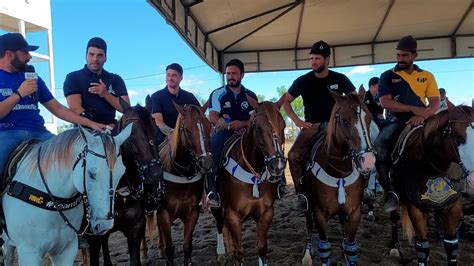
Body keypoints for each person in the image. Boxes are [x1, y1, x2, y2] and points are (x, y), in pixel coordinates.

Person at [0, 33, 105, 181]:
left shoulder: (32, 77)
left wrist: (91, 124)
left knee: (77, 157)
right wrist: (19, 94)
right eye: (25, 52)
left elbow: (57, 108)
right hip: (7, 133)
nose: (29, 57)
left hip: (39, 132)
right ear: (9, 54)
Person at [279, 40, 356, 211]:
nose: (313, 62)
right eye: (312, 58)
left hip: (337, 128)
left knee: (360, 149)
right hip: (312, 126)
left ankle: (364, 190)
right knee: (293, 155)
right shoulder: (303, 80)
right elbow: (286, 102)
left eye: (317, 58)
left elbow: (355, 99)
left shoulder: (340, 79)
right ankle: (301, 194)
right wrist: (298, 121)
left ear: (327, 60)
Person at [375, 35, 440, 212]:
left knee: (450, 141)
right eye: (398, 55)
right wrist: (415, 110)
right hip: (397, 121)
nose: (400, 59)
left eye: (404, 55)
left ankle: (454, 184)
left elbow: (435, 101)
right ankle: (389, 191)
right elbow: (386, 103)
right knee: (379, 147)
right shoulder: (388, 76)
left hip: (423, 120)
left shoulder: (426, 76)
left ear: (414, 55)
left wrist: (423, 116)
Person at [206, 59, 258, 208]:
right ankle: (212, 191)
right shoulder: (217, 94)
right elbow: (213, 117)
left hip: (247, 132)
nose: (230, 77)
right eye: (228, 73)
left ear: (242, 75)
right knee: (212, 150)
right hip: (225, 132)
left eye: (234, 73)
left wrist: (243, 124)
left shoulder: (250, 95)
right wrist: (229, 126)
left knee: (268, 145)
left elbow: (254, 118)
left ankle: (277, 182)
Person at [63, 37, 129, 128]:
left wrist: (106, 94)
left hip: (111, 128)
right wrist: (96, 125)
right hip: (83, 130)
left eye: (100, 55)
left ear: (105, 57)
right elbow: (75, 108)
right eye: (91, 54)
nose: (95, 59)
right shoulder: (73, 77)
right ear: (86, 56)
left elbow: (126, 109)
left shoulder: (116, 79)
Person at [150, 63, 200, 145]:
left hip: (188, 140)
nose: (170, 78)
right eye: (168, 75)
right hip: (165, 140)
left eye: (174, 75)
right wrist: (174, 134)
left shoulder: (190, 97)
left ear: (181, 78)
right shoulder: (156, 97)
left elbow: (200, 117)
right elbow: (158, 122)